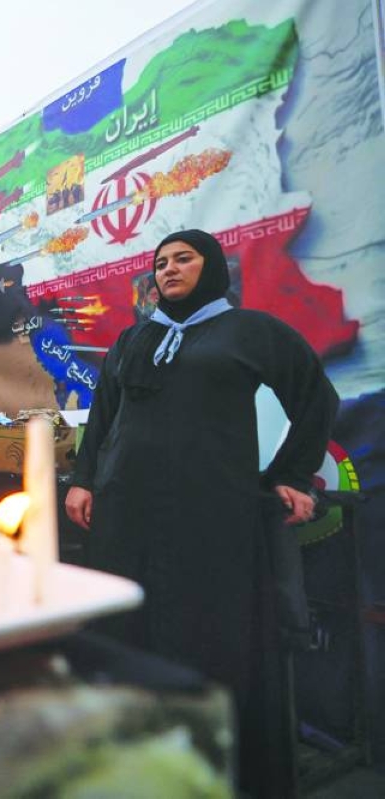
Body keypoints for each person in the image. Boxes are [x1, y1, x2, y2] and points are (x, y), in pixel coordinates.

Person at [64, 229, 338, 796]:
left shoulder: (249, 331)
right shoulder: (133, 340)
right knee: (126, 621)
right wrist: (83, 480)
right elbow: (104, 418)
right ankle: (129, 752)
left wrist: (290, 474)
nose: (169, 269)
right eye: (161, 262)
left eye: (183, 259)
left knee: (208, 630)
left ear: (211, 267)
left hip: (211, 514)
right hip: (125, 514)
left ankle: (204, 756)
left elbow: (315, 396)